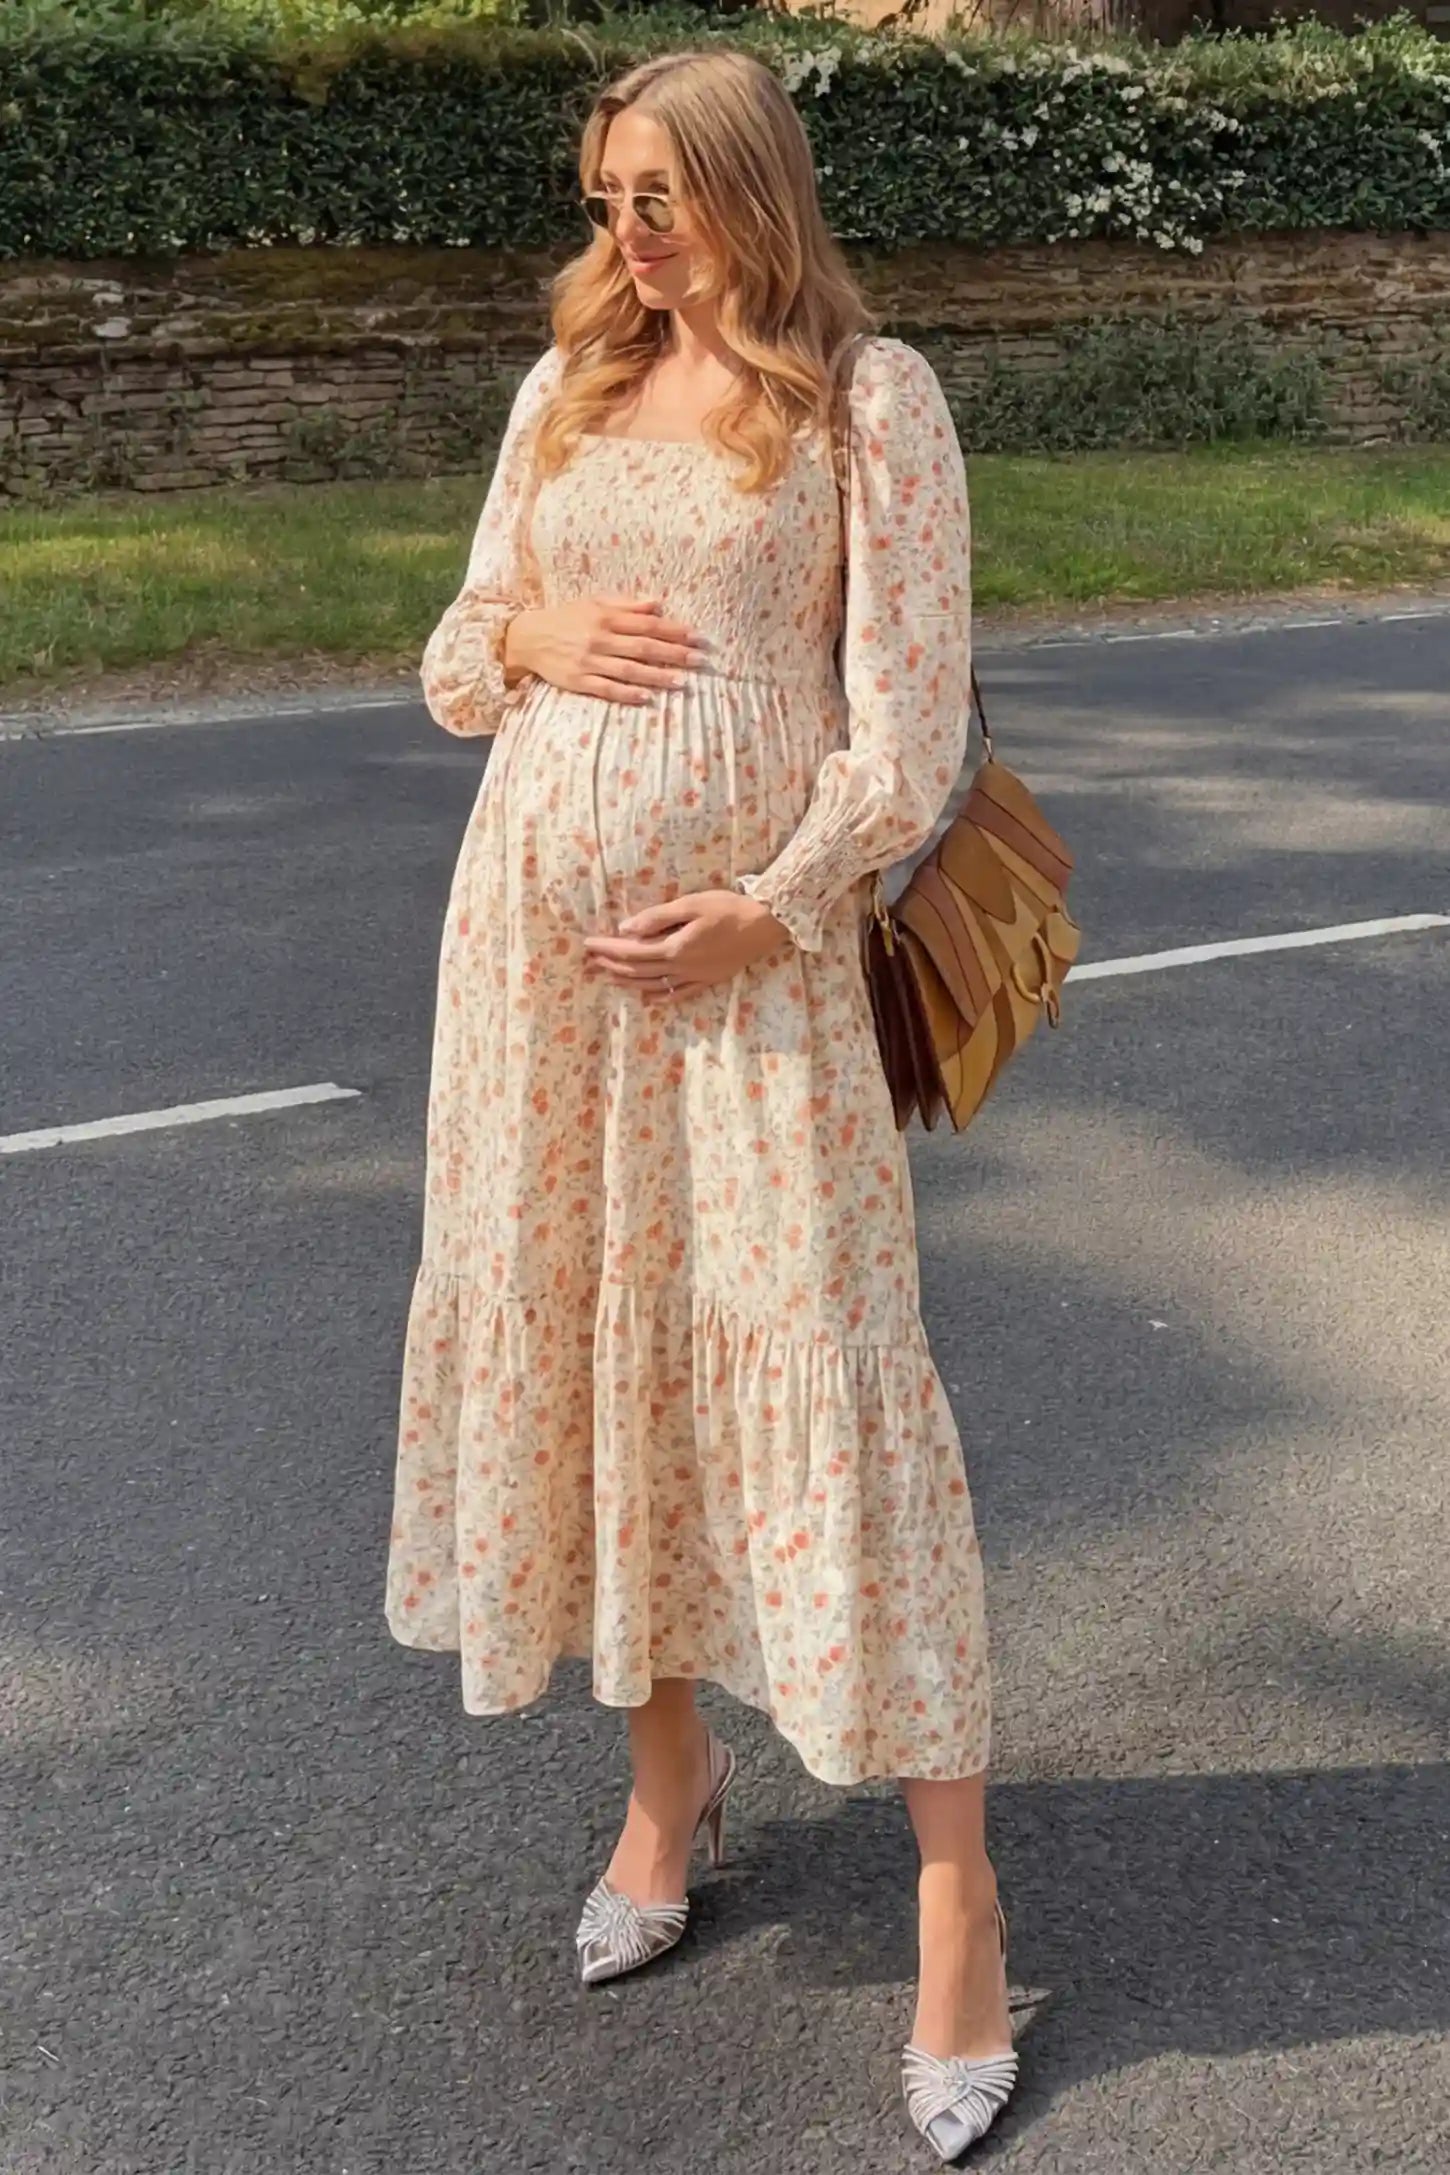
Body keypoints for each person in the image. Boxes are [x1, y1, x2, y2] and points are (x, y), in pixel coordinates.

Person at [384, 45, 1017, 2161]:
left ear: (751, 188)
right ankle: (667, 1782)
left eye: (657, 195)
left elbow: (905, 724)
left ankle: (954, 1894)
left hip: (748, 982)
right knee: (600, 1364)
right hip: (534, 986)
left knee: (828, 1368)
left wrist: (768, 908)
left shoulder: (869, 401)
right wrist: (534, 625)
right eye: (601, 197)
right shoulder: (560, 389)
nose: (623, 238)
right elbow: (458, 651)